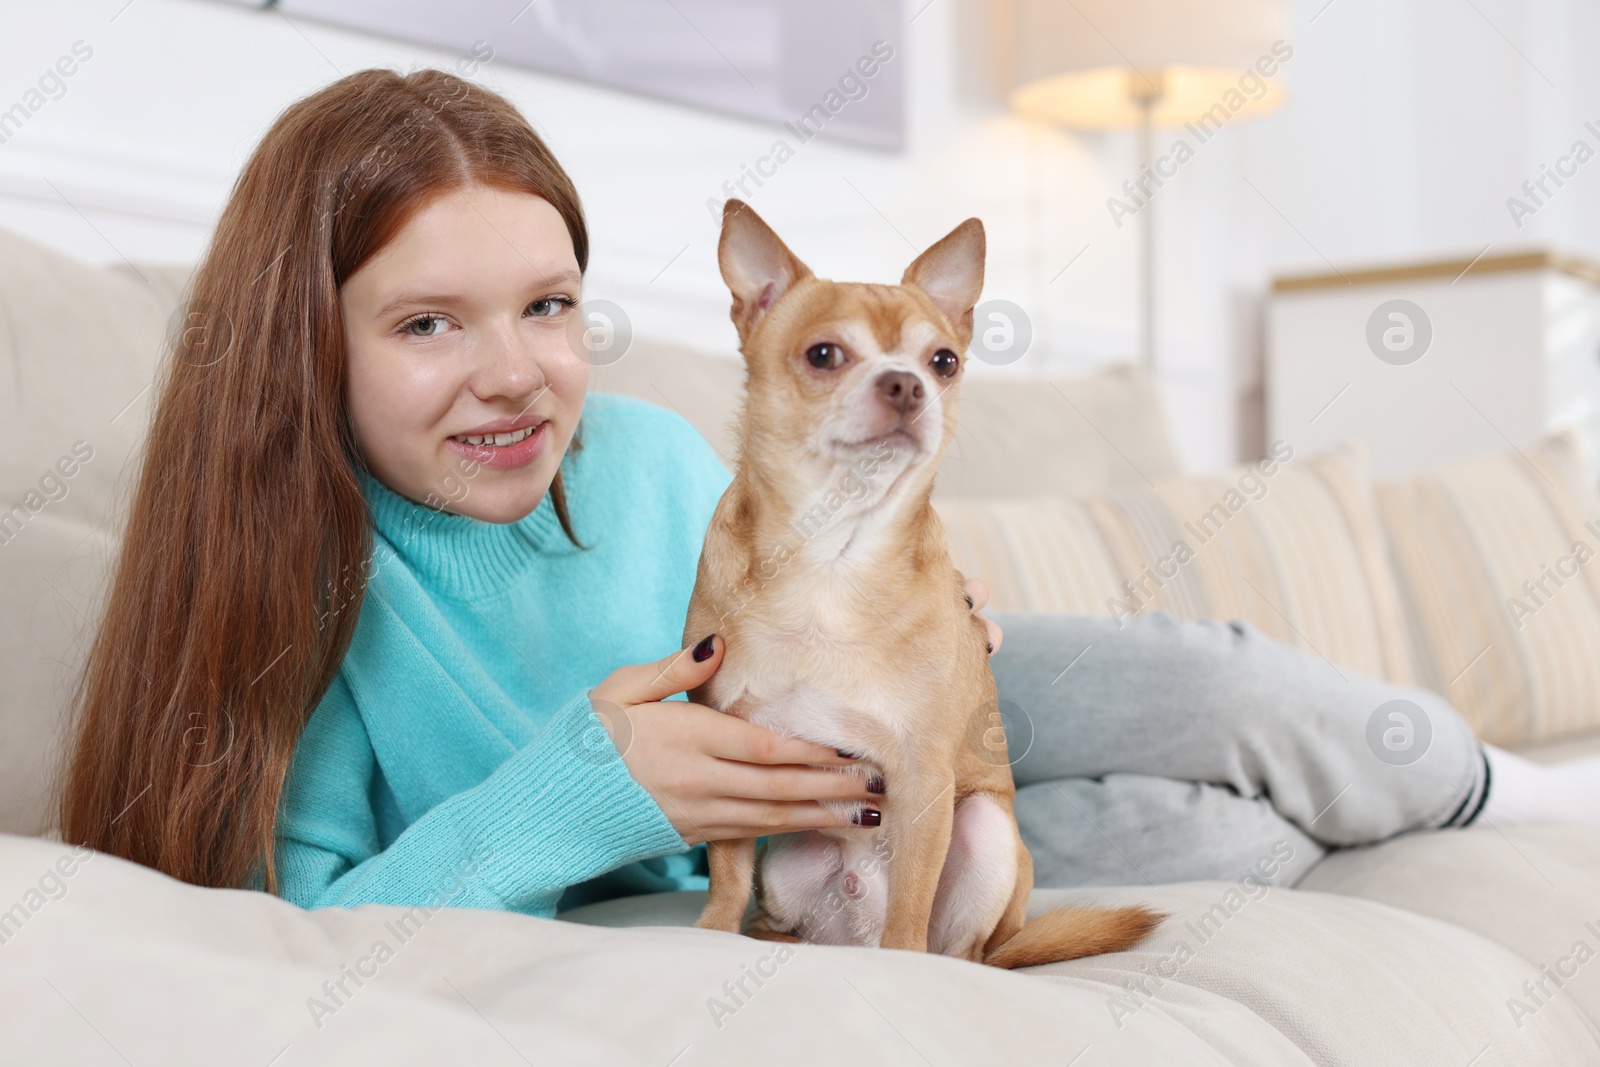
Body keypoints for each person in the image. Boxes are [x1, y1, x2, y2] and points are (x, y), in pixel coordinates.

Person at [54, 69, 1599, 919]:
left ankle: (1518, 792)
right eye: (426, 324)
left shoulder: (648, 456)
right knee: (1216, 845)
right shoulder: (313, 600)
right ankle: (1405, 825)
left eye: (549, 305)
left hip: (894, 706)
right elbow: (304, 928)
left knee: (1209, 675)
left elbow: (826, 521)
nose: (518, 373)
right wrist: (591, 794)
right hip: (776, 863)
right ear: (294, 349)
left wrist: (938, 596)